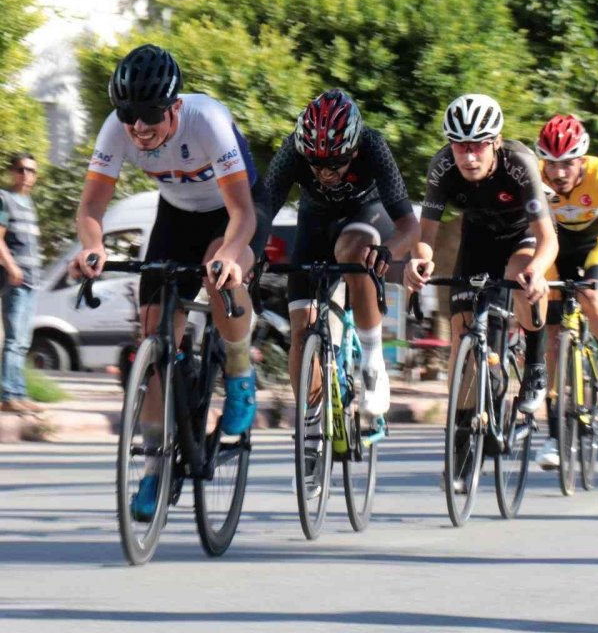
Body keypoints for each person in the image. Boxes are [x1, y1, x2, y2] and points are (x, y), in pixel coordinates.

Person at [71, 44, 268, 520]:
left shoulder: (208, 121)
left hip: (236, 210)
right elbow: (91, 209)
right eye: (128, 114)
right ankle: (156, 467)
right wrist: (92, 246)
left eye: (150, 114)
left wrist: (226, 253)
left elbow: (242, 213)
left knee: (219, 271)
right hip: (176, 214)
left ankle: (240, 375)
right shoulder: (118, 129)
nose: (138, 127)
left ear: (174, 105)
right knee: (154, 335)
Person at [404, 94, 557, 491]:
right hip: (478, 239)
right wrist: (419, 262)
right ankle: (460, 453)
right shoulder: (442, 168)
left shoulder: (520, 164)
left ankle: (536, 363)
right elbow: (427, 237)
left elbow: (548, 240)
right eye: (460, 146)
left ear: (496, 142)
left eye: (477, 146)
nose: (468, 157)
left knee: (521, 276)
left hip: (524, 236)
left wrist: (539, 271)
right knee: (461, 345)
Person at [262, 89, 419, 418]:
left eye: (335, 164)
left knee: (353, 250)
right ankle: (311, 434)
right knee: (302, 332)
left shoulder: (373, 145)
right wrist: (250, 251)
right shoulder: (293, 149)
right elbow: (262, 210)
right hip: (315, 224)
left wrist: (388, 251)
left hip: (365, 215)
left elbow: (409, 226)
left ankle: (372, 362)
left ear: (355, 147)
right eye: (316, 165)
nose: (325, 174)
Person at [533, 114, 598, 468]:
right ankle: (552, 437)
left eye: (567, 164)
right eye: (552, 164)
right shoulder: (536, 176)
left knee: (592, 296)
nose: (558, 174)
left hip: (597, 243)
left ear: (582, 159)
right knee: (551, 333)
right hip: (556, 246)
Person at [0, 153, 43, 413]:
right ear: (12, 172)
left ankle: (20, 393)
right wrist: (12, 266)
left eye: (31, 171)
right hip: (15, 279)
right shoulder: (4, 200)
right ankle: (8, 394)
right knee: (15, 340)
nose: (26, 175)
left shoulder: (28, 204)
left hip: (32, 280)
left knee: (24, 341)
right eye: (21, 170)